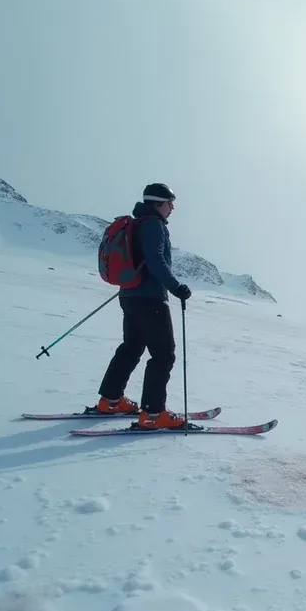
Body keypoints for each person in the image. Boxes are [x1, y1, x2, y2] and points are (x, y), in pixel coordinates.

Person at [94, 182, 192, 428]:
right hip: (150, 299)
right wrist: (176, 287)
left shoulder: (137, 224)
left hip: (129, 296)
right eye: (170, 203)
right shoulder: (154, 225)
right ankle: (153, 414)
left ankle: (110, 401)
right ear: (158, 203)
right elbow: (156, 260)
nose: (172, 208)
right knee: (163, 354)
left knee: (132, 347)